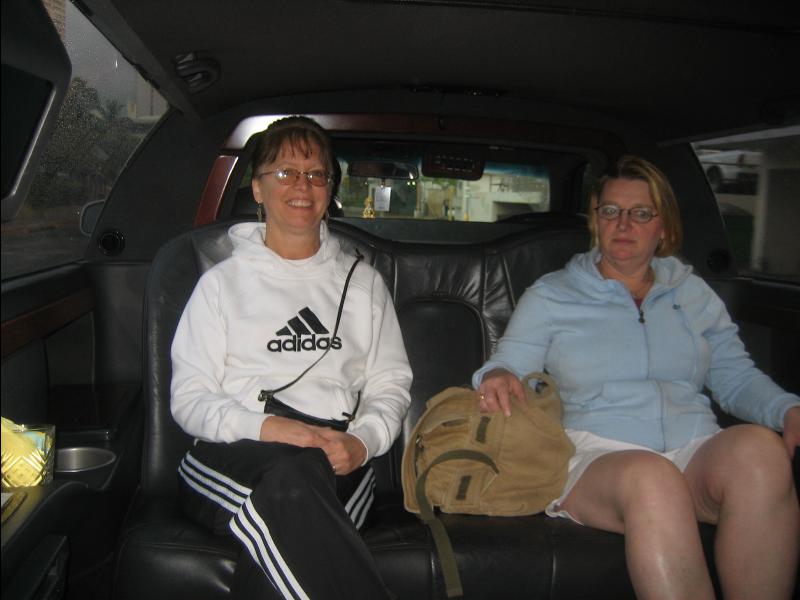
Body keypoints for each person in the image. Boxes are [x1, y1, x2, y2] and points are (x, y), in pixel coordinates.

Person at [473, 155, 800, 600]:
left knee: (762, 451)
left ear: (663, 225)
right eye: (611, 210)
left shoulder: (692, 293)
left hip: (694, 449)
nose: (624, 223)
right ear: (596, 220)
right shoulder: (553, 294)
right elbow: (509, 361)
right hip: (598, 456)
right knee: (651, 478)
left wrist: (787, 409)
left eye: (641, 213)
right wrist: (496, 375)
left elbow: (735, 376)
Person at [170, 116, 412, 599]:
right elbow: (190, 398)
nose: (303, 185)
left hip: (335, 456)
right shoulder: (220, 284)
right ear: (258, 189)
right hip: (237, 450)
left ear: (330, 190)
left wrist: (362, 442)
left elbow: (390, 385)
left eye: (317, 173)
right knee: (292, 485)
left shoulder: (363, 284)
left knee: (294, 504)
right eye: (285, 172)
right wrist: (270, 429)